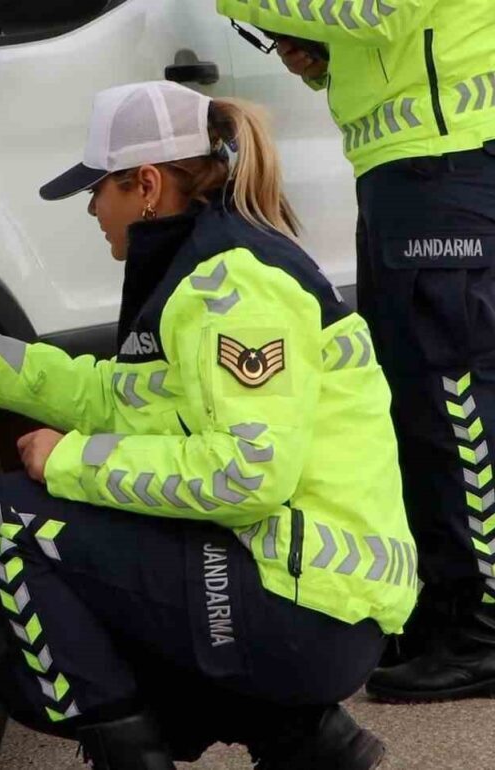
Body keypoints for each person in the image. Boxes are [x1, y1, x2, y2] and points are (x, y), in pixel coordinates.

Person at [0, 81, 416, 770]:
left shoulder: (232, 287)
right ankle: (305, 741)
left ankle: (168, 752)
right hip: (306, 597)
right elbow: (118, 398)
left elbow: (247, 475)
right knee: (32, 671)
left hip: (310, 609)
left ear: (145, 185)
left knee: (14, 522)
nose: (89, 207)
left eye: (96, 188)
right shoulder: (203, 265)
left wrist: (73, 463)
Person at [216, 0, 495, 703]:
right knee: (413, 404)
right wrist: (324, 55)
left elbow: (378, 10)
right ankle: (448, 611)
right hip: (408, 166)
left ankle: (485, 627)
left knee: (456, 401)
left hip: (451, 160)